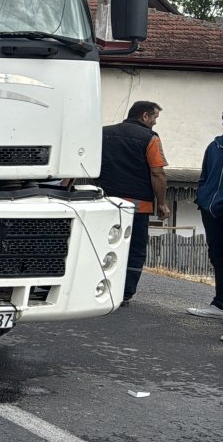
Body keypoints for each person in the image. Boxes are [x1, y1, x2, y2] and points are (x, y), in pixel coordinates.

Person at [96, 101, 170, 307]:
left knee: (103, 246)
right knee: (134, 250)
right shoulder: (150, 138)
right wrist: (162, 204)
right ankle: (125, 294)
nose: (155, 122)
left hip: (104, 202)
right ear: (145, 116)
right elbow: (157, 172)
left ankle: (98, 289)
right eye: (154, 117)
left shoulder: (104, 133)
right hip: (137, 207)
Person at [188, 111, 223, 320]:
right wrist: (203, 196)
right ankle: (220, 305)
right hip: (211, 211)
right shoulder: (214, 146)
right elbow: (205, 175)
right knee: (218, 257)